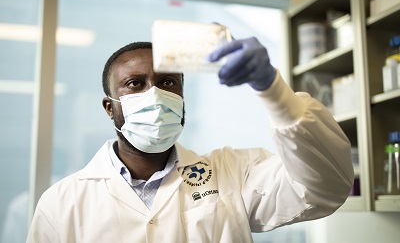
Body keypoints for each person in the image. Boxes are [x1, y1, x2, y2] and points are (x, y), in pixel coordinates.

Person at [27, 36, 354, 242]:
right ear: (110, 108)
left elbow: (323, 189)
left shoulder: (231, 173)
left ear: (182, 98)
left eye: (167, 82)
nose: (154, 94)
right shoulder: (62, 202)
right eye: (135, 84)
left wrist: (273, 91)